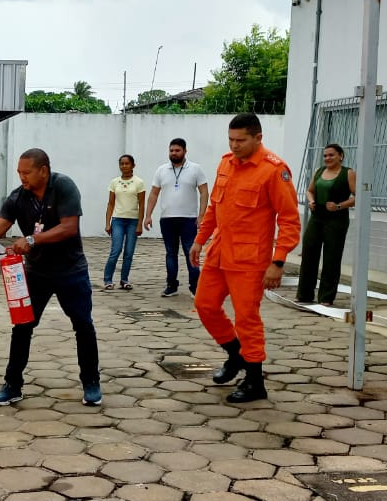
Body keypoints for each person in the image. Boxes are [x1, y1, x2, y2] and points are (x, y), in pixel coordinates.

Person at [0, 148, 101, 407]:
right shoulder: (17, 197)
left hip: (71, 270)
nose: (22, 177)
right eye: (19, 172)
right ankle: (12, 385)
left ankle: (91, 382)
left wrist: (31, 239)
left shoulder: (64, 187)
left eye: (26, 172)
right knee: (23, 326)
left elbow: (69, 227)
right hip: (36, 272)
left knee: (83, 325)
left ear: (43, 171)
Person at [190, 113, 300, 403]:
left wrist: (277, 262)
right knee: (204, 306)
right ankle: (235, 354)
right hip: (219, 253)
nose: (235, 145)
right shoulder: (226, 162)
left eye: (241, 140)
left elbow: (289, 220)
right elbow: (215, 206)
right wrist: (200, 240)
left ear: (258, 138)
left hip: (250, 260)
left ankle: (254, 381)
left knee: (247, 319)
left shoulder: (274, 170)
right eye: (231, 139)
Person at [143, 138, 209, 297]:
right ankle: (171, 286)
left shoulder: (195, 169)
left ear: (185, 151)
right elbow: (153, 193)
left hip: (189, 219)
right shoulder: (161, 170)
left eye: (177, 150)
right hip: (167, 219)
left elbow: (204, 192)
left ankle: (195, 287)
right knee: (170, 253)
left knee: (190, 252)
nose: (174, 153)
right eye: (171, 150)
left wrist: (201, 216)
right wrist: (148, 215)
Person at [297, 143, 356, 306]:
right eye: (325, 156)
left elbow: (358, 197)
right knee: (309, 254)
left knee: (331, 257)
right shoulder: (319, 171)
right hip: (317, 216)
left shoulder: (348, 173)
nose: (327, 158)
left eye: (331, 155)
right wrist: (311, 201)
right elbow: (310, 191)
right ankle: (304, 295)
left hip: (336, 219)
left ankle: (326, 298)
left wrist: (339, 206)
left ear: (340, 156)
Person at [102, 154, 145, 291]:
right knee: (116, 250)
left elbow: (142, 204)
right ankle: (108, 279)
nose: (124, 166)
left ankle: (124, 279)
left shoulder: (139, 182)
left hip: (133, 220)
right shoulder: (115, 182)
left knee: (129, 252)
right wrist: (108, 223)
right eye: (122, 164)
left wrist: (140, 224)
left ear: (133, 165)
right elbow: (110, 203)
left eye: (127, 163)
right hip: (118, 220)